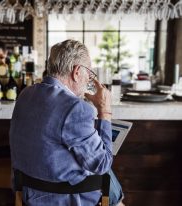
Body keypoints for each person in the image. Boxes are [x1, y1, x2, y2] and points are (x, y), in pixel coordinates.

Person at [9, 39, 124, 206]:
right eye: (89, 74)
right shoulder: (77, 108)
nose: (89, 80)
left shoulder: (26, 94)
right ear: (77, 72)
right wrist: (104, 111)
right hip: (63, 197)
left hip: (28, 193)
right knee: (109, 177)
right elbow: (102, 164)